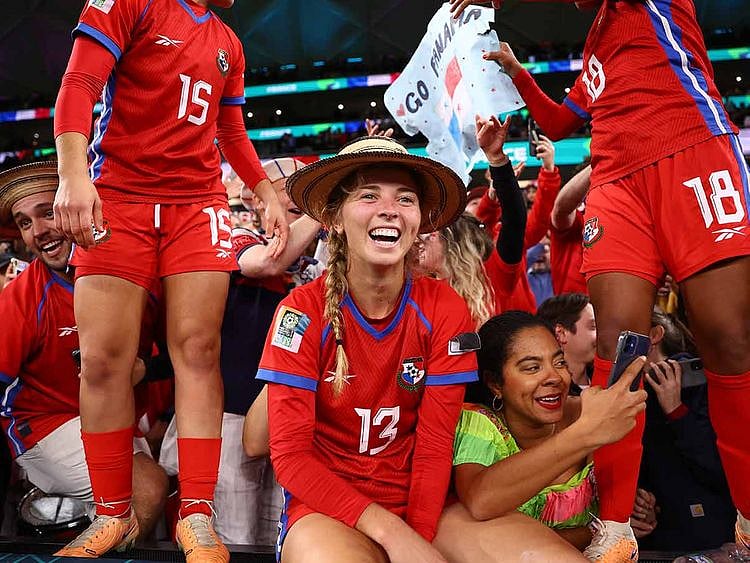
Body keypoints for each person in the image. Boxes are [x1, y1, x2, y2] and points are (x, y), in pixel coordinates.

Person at [453, 0, 750, 557]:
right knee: (620, 347)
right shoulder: (596, 40)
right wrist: (518, 73)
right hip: (614, 176)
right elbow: (564, 123)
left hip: (691, 148)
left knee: (729, 337)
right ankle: (614, 528)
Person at [52, 0, 290, 559]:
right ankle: (110, 513)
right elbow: (79, 83)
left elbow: (230, 130)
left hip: (197, 202)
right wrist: (72, 175)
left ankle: (197, 513)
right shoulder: (129, 3)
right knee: (106, 359)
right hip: (119, 194)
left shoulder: (229, 42)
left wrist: (265, 191)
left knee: (199, 349)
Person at [257, 135, 478, 563]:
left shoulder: (445, 306)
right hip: (327, 510)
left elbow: (434, 445)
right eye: (369, 195)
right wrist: (394, 535)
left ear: (419, 221)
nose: (389, 209)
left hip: (426, 504)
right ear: (335, 219)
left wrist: (419, 535)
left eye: (405, 198)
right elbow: (291, 459)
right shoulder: (300, 312)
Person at [0, 161, 167, 539]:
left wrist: (147, 372)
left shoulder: (136, 275)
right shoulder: (22, 299)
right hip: (44, 424)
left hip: (112, 413)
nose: (38, 232)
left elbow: (185, 354)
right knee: (147, 486)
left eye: (47, 213)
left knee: (156, 491)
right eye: (25, 223)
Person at [160, 158, 321, 546]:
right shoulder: (232, 236)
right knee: (232, 543)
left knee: (277, 541)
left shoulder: (324, 264)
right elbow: (268, 263)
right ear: (259, 203)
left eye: (307, 207)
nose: (301, 218)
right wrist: (327, 200)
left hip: (291, 422)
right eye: (294, 207)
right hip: (226, 421)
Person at [432, 311, 647, 562]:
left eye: (559, 363)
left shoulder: (589, 412)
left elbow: (615, 525)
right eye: (532, 368)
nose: (554, 378)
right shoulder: (479, 423)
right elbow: (481, 501)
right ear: (495, 384)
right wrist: (585, 434)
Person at [634, 308, 736, 552]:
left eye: (626, 337)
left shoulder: (702, 383)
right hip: (658, 542)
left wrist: (676, 410)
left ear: (654, 335)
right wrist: (642, 499)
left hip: (715, 540)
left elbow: (721, 469)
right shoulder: (629, 393)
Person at [537, 293, 597, 394]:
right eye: (593, 327)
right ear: (561, 334)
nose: (602, 334)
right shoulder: (550, 394)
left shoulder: (609, 381)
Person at [549, 164, 590, 296]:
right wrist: (602, 162)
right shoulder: (577, 216)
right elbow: (561, 208)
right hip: (575, 312)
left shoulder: (621, 216)